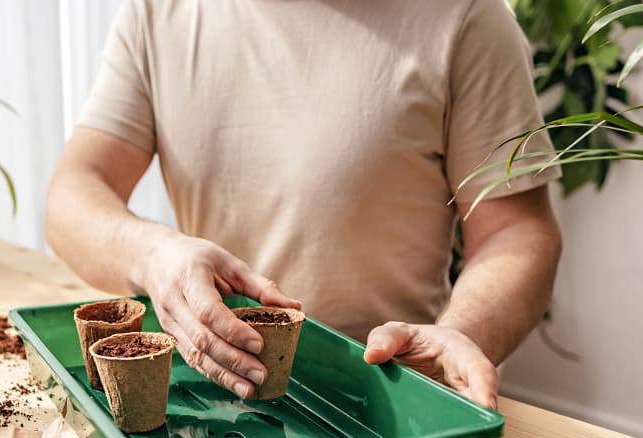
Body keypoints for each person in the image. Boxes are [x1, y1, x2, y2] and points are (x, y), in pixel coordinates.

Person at [46, 0, 562, 409]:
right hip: (205, 394)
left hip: (389, 396)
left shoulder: (467, 16)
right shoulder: (157, 12)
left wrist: (460, 333)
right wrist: (153, 254)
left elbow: (516, 232)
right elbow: (73, 193)